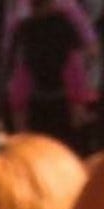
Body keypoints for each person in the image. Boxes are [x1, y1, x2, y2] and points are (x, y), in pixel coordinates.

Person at [5, 0, 100, 148]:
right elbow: (91, 48)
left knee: (71, 64)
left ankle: (77, 111)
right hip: (36, 75)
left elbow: (91, 48)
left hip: (56, 77)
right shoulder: (22, 15)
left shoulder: (67, 11)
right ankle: (22, 132)